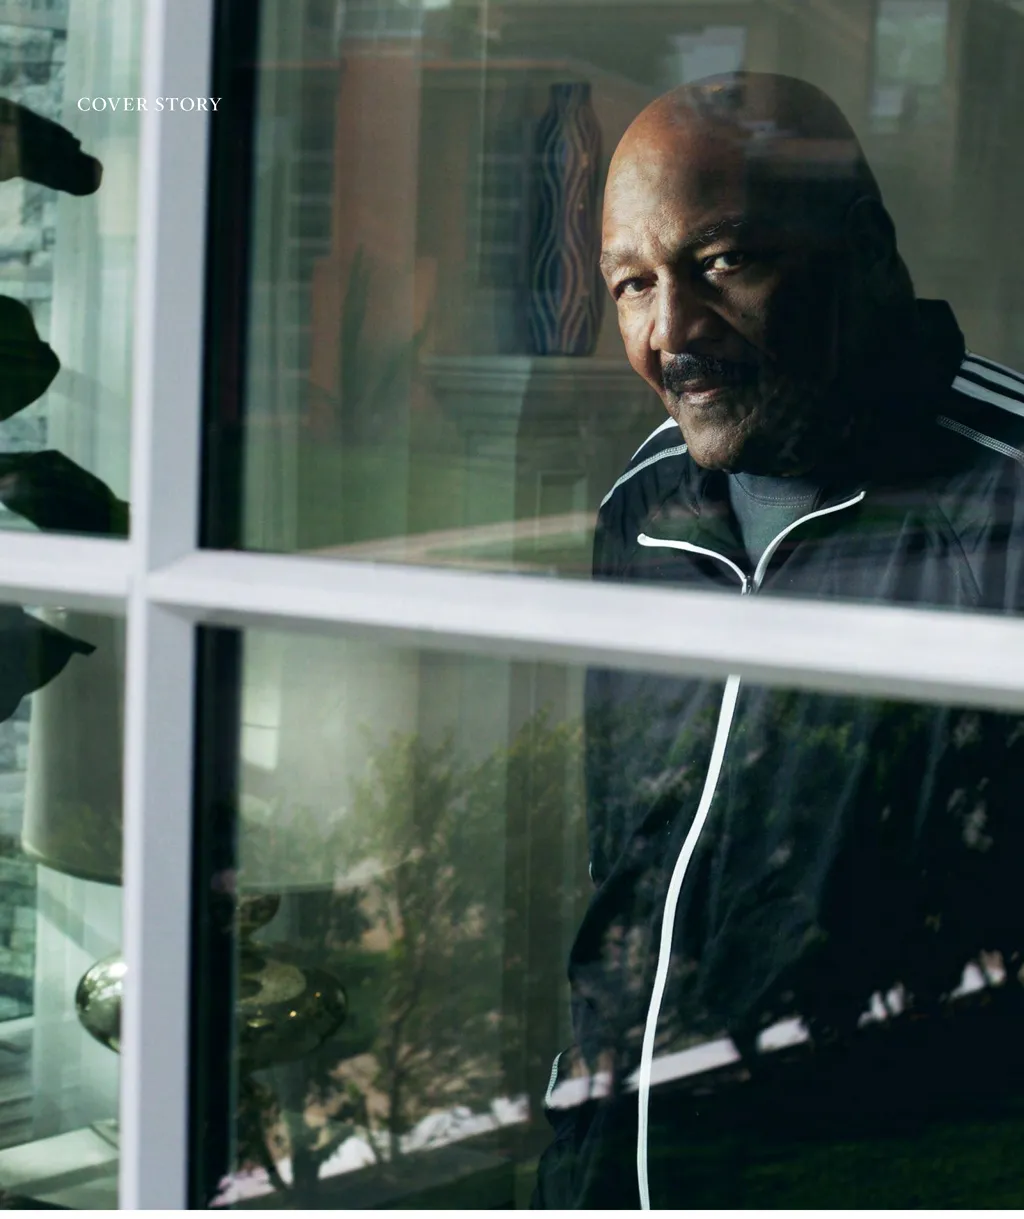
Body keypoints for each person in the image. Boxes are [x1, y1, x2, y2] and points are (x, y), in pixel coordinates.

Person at [533, 72, 1024, 1209]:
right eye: (631, 285)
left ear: (866, 248)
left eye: (722, 263)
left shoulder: (1006, 504)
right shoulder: (644, 504)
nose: (671, 333)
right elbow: (628, 871)